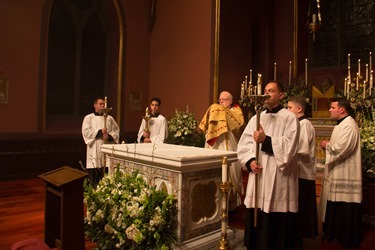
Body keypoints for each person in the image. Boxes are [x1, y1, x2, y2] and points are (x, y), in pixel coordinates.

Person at [237, 81, 300, 250]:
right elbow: (244, 145)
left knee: (275, 215)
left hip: (279, 176)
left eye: (271, 91)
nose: (266, 94)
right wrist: (250, 161)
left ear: (281, 95)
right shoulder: (256, 118)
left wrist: (266, 140)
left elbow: (290, 146)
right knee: (257, 211)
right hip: (259, 174)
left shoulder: (290, 118)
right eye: (265, 91)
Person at [319, 98, 362, 248]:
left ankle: (346, 236)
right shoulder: (342, 124)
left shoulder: (349, 125)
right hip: (339, 169)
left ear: (342, 110)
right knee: (336, 202)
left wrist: (327, 145)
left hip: (347, 171)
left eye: (332, 107)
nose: (330, 110)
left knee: (345, 203)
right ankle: (334, 233)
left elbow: (343, 147)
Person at [198, 91, 245, 211]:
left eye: (224, 99)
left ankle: (230, 205)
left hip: (228, 145)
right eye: (220, 100)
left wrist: (223, 114)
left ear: (230, 101)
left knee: (230, 173)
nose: (221, 102)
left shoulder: (235, 111)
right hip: (214, 146)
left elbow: (239, 125)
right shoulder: (215, 111)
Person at [287, 96, 318, 245]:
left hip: (303, 172)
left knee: (302, 207)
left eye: (289, 108)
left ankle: (299, 237)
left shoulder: (304, 124)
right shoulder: (298, 123)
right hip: (299, 171)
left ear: (299, 109)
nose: (287, 111)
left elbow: (302, 149)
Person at [82, 97, 120, 185]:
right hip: (94, 148)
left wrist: (109, 136)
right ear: (95, 105)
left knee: (106, 174)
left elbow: (116, 131)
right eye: (100, 104)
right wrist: (100, 132)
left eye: (103, 104)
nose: (103, 105)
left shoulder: (109, 118)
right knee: (94, 177)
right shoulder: (89, 118)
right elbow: (86, 132)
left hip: (106, 149)